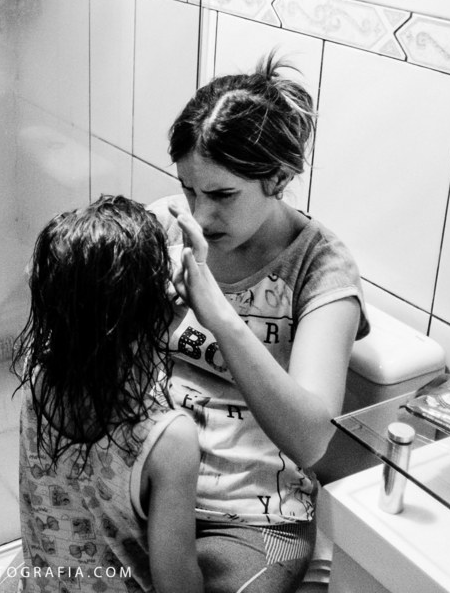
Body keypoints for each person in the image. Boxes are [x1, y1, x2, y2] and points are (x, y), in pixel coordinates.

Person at [148, 55, 369, 593]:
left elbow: (311, 440)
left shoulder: (320, 267)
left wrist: (219, 315)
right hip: (145, 483)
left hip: (253, 518)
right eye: (189, 189)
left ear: (279, 177)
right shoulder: (165, 227)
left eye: (222, 195)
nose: (200, 216)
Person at [12, 195, 203, 593]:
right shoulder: (167, 440)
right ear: (153, 306)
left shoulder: (38, 375)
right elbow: (178, 585)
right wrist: (196, 291)